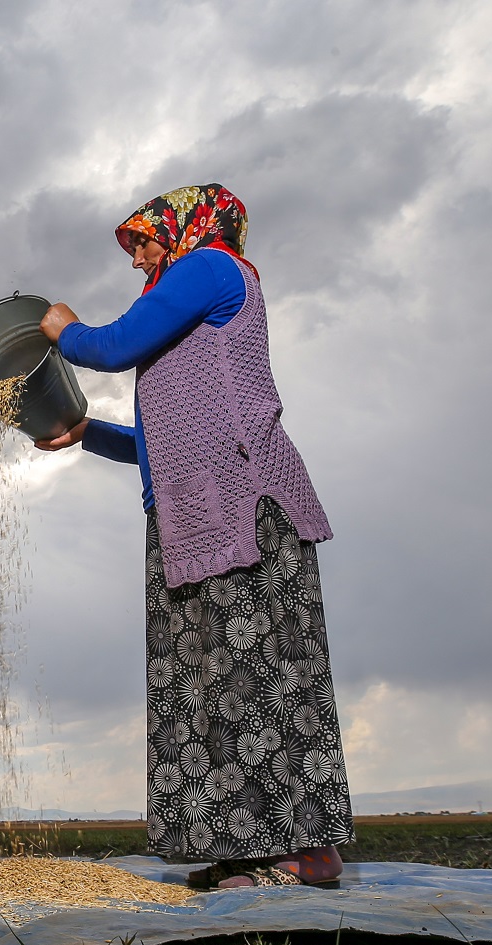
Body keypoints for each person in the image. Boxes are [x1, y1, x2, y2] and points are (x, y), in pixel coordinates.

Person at [36, 186, 352, 889]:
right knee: (217, 682)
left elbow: (110, 345)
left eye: (145, 241)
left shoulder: (210, 266)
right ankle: (267, 847)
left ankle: (289, 851)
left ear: (183, 229)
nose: (139, 257)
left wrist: (65, 329)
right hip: (193, 516)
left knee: (254, 674)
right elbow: (162, 439)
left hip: (242, 508)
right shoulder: (186, 321)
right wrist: (88, 435)